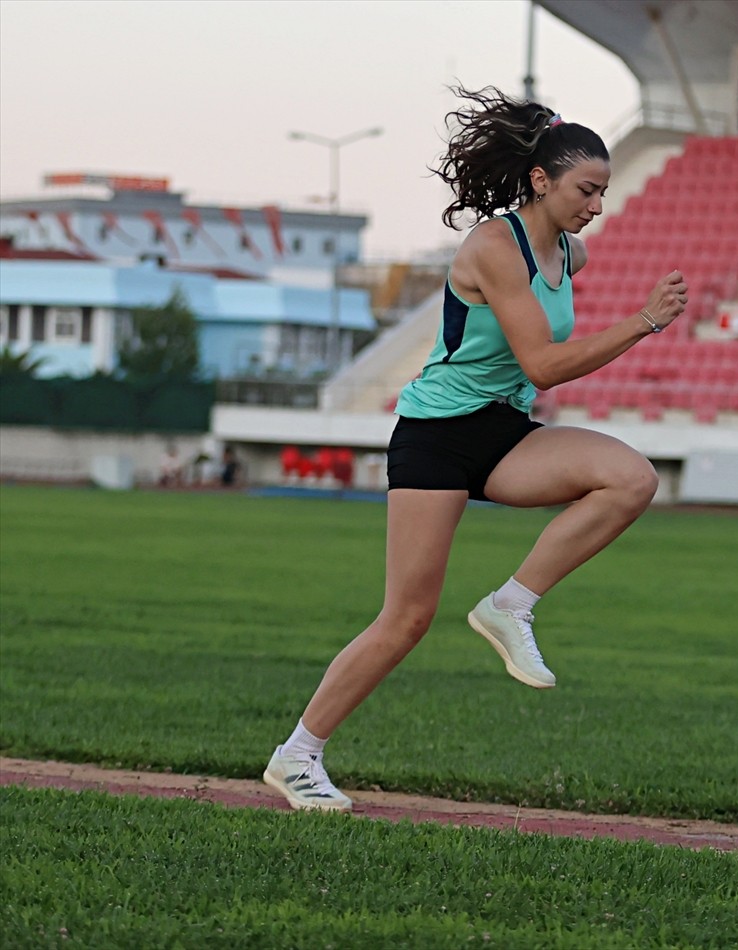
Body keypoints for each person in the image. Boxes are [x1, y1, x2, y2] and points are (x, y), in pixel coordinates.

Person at [263, 86, 688, 812]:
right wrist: (644, 322)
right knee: (406, 618)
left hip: (501, 432)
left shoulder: (571, 253)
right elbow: (544, 366)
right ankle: (296, 756)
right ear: (541, 180)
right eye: (587, 190)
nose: (596, 205)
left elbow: (532, 367)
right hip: (436, 438)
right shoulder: (494, 245)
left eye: (605, 192)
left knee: (629, 479)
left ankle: (509, 606)